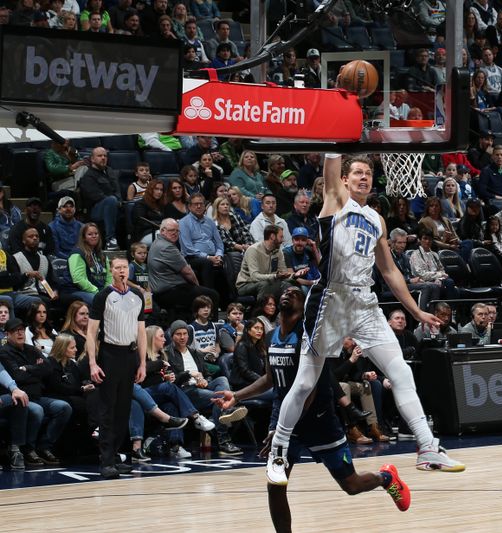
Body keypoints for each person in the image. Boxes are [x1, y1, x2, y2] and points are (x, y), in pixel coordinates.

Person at [268, 154, 464, 485]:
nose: (364, 177)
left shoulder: (376, 218)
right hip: (332, 300)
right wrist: (336, 140)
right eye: (357, 172)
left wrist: (416, 311)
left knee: (401, 370)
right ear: (344, 179)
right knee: (304, 382)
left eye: (369, 173)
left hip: (365, 302)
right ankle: (279, 450)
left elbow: (388, 270)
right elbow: (332, 165)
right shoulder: (335, 200)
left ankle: (428, 447)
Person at [212, 287, 411, 532]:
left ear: (305, 303)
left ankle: (386, 478)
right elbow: (269, 379)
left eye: (295, 292)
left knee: (351, 485)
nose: (286, 294)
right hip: (285, 417)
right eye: (284, 291)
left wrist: (282, 431)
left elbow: (309, 389)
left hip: (319, 420)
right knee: (275, 484)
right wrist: (237, 395)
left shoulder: (311, 338)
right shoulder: (271, 336)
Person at [85, 257, 146, 479]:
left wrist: (143, 363)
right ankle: (106, 460)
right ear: (111, 271)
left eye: (124, 267)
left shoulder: (137, 296)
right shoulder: (102, 296)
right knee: (107, 410)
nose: (122, 271)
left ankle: (118, 455)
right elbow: (91, 333)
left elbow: (141, 332)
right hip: (110, 354)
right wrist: (93, 362)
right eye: (117, 268)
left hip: (130, 355)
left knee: (123, 410)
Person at [164, 319, 245, 456]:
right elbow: (172, 381)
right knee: (219, 398)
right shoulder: (167, 353)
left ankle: (225, 410)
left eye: (185, 333)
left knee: (222, 379)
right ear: (172, 336)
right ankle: (224, 441)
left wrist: (205, 381)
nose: (182, 337)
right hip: (185, 391)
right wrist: (190, 375)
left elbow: (206, 374)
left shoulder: (195, 352)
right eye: (178, 334)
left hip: (201, 388)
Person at [0, 318, 70, 468]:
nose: (20, 333)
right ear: (7, 334)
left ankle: (44, 446)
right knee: (36, 410)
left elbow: (48, 368)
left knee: (64, 407)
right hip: (20, 397)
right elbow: (17, 376)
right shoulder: (4, 353)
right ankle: (28, 449)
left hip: (38, 396)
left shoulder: (31, 349)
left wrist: (28, 368)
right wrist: (35, 370)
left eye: (21, 329)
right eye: (15, 331)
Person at [148, 219, 220, 316]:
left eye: (177, 231)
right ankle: (211, 325)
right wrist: (198, 288)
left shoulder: (157, 242)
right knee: (212, 295)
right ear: (162, 231)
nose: (175, 233)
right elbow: (187, 272)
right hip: (168, 291)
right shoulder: (167, 247)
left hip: (162, 289)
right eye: (171, 230)